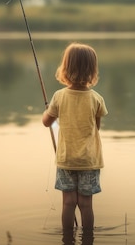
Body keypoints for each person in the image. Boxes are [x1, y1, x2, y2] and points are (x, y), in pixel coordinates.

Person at [42, 42, 108, 232]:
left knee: (68, 203)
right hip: (89, 159)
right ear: (92, 70)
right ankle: (88, 240)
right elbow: (96, 128)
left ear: (66, 68)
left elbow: (47, 122)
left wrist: (49, 112)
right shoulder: (97, 99)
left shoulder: (59, 96)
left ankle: (67, 240)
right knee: (86, 205)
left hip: (66, 159)